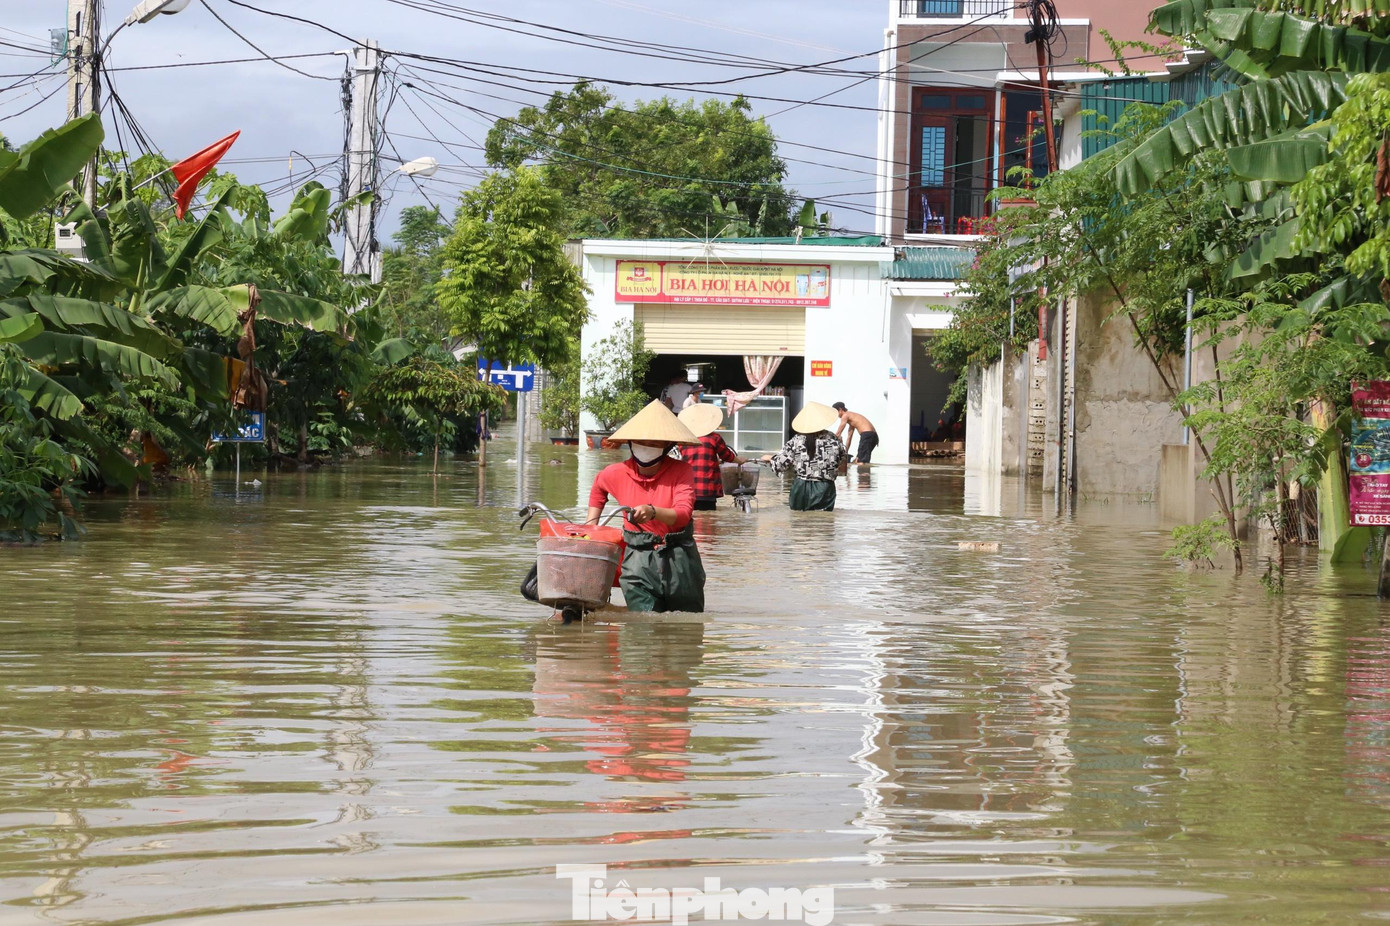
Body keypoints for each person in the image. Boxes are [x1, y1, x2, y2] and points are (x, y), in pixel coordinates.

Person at [587, 400, 705, 613]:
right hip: (637, 559)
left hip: (680, 558)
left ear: (667, 446)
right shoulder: (615, 473)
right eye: (641, 442)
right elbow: (598, 489)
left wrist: (653, 512)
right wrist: (591, 527)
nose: (647, 447)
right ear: (631, 443)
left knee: (685, 631)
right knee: (641, 629)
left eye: (654, 443)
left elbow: (683, 515)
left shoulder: (681, 471)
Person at [761, 401, 847, 511]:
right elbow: (841, 459)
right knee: (824, 523)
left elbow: (781, 465)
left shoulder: (796, 440)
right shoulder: (833, 439)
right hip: (825, 488)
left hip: (801, 488)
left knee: (799, 523)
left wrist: (770, 458)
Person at [677, 402, 745, 510]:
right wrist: (739, 460)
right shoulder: (714, 438)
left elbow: (688, 457)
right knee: (708, 522)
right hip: (706, 488)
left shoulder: (683, 439)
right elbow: (727, 456)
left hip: (687, 488)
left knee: (691, 518)